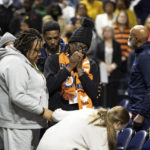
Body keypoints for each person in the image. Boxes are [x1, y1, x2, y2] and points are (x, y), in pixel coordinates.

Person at [0, 28, 53, 150]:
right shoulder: (14, 62)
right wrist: (43, 111)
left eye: (40, 50)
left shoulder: (26, 60)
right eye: (36, 50)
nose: (39, 54)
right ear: (25, 48)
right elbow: (18, 96)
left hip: (27, 122)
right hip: (17, 125)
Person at [44, 17, 99, 111]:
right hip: (59, 110)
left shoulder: (91, 64)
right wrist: (69, 67)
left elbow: (94, 94)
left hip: (82, 110)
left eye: (84, 49)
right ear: (70, 44)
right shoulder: (53, 59)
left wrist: (80, 70)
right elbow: (49, 87)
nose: (80, 51)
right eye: (79, 47)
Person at [37, 106, 130, 150]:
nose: (118, 131)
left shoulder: (90, 111)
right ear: (118, 123)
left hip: (43, 143)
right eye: (121, 128)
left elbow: (56, 115)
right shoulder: (103, 131)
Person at [128, 25, 150, 131]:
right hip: (138, 108)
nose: (129, 39)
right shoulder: (140, 54)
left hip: (144, 114)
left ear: (136, 39)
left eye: (130, 36)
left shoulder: (145, 56)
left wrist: (141, 114)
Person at [94, 26, 122, 107]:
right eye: (105, 31)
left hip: (113, 69)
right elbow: (96, 57)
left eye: (109, 31)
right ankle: (103, 106)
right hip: (102, 69)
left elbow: (119, 58)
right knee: (103, 89)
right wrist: (102, 63)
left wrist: (112, 66)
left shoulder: (117, 45)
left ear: (112, 32)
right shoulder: (99, 44)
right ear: (103, 33)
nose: (107, 32)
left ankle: (112, 107)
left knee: (112, 89)